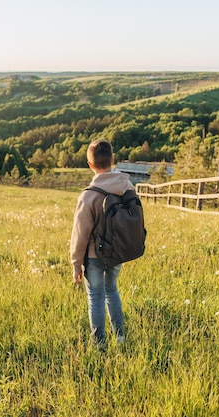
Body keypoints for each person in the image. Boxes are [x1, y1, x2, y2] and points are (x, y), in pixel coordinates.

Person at [69, 139, 135, 347]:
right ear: (112, 160)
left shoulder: (89, 195)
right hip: (118, 252)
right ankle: (121, 337)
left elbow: (80, 233)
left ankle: (99, 344)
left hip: (94, 255)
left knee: (95, 297)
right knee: (112, 290)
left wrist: (76, 263)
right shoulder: (126, 186)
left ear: (90, 165)